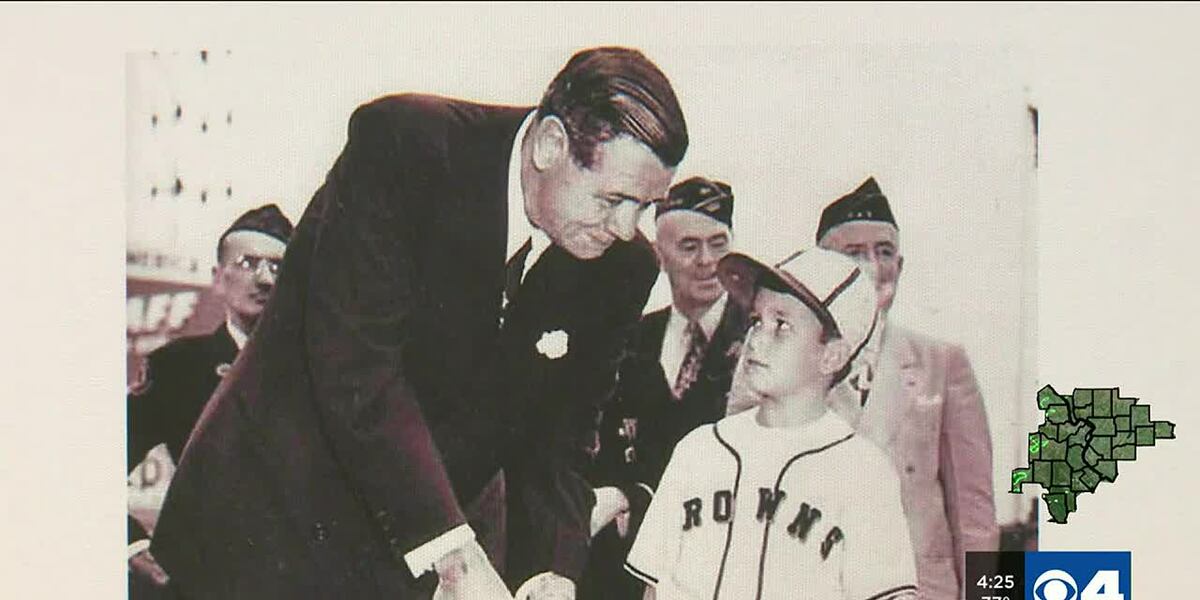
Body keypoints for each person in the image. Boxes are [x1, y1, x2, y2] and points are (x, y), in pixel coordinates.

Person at [148, 46, 687, 600]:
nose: (627, 228)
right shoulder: (405, 147)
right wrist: (453, 552)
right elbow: (357, 367)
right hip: (266, 524)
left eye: (645, 206)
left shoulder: (622, 267)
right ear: (551, 145)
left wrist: (551, 571)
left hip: (407, 560)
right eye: (613, 199)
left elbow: (563, 437)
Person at [625, 247, 917, 600]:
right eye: (755, 321)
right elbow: (653, 589)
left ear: (832, 355)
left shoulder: (863, 472)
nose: (757, 340)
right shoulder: (698, 449)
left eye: (782, 326)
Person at [816, 177, 999, 600]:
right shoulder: (785, 362)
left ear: (900, 266)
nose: (873, 266)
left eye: (884, 252)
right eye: (854, 253)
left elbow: (975, 516)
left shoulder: (942, 364)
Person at [581, 176, 747, 600]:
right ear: (660, 254)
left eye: (718, 244)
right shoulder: (631, 338)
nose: (707, 261)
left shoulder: (759, 339)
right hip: (628, 568)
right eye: (689, 247)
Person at [126, 204, 292, 593]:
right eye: (248, 263)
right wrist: (132, 545)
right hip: (201, 581)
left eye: (278, 267)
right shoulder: (176, 367)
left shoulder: (317, 370)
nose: (265, 279)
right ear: (219, 277)